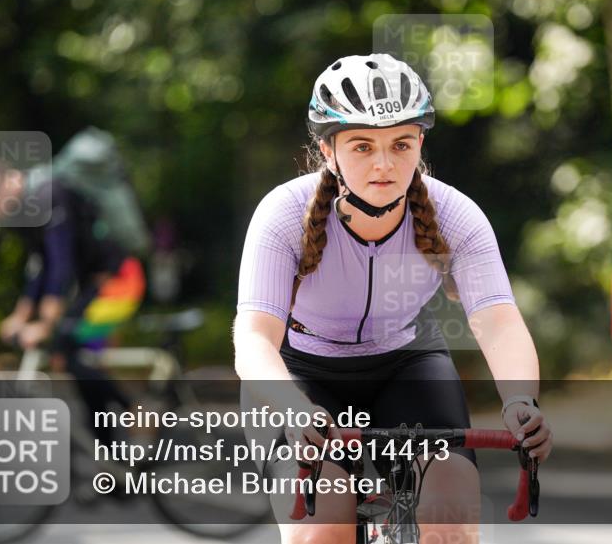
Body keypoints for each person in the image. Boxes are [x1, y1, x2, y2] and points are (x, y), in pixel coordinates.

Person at [233, 53, 552, 544]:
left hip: (406, 363)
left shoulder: (455, 215)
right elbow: (254, 339)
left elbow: (498, 322)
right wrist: (289, 407)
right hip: (302, 373)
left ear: (420, 142)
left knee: (453, 520)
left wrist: (519, 400)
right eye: (362, 146)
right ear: (328, 150)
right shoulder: (282, 215)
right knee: (320, 532)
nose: (384, 163)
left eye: (401, 144)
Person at [0, 157, 146, 441]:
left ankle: (134, 410)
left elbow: (62, 264)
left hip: (121, 282)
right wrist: (20, 317)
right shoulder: (29, 209)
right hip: (96, 288)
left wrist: (46, 323)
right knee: (72, 359)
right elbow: (41, 267)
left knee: (66, 346)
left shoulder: (50, 194)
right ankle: (116, 460)